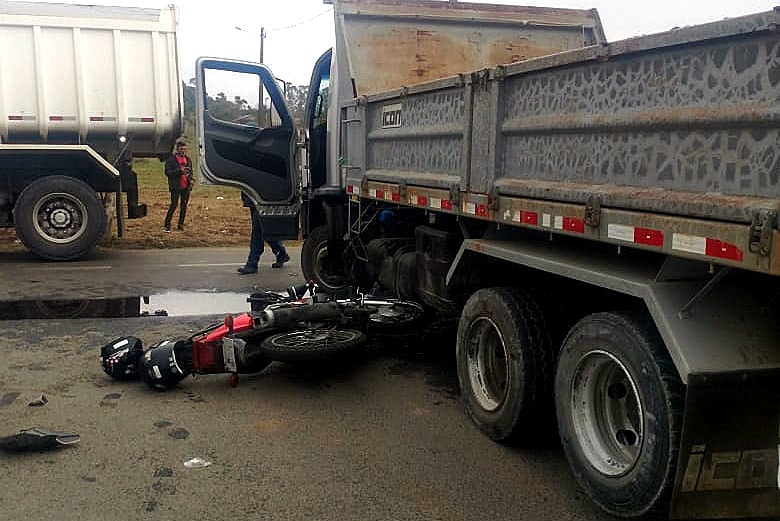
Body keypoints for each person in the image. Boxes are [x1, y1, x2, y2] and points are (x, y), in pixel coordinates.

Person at [237, 192, 290, 274]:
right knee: (263, 229)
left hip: (259, 197)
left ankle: (252, 263)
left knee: (258, 230)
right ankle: (281, 252)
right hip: (256, 197)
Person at [163, 141, 193, 232]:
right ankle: (167, 225)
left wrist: (191, 180)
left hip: (185, 186)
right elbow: (167, 173)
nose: (183, 151)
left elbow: (190, 172)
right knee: (174, 205)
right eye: (181, 149)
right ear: (177, 149)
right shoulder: (171, 160)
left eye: (185, 149)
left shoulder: (188, 159)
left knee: (184, 206)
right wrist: (179, 171)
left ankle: (180, 225)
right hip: (175, 186)